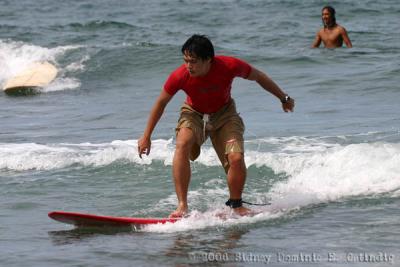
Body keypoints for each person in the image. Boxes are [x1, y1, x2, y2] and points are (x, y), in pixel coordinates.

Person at [138, 34, 295, 218]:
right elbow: (161, 103)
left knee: (235, 157)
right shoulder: (180, 76)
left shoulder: (229, 66)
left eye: (194, 61)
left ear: (208, 60)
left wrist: (283, 98)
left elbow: (258, 76)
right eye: (186, 60)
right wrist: (146, 136)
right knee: (182, 144)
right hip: (193, 113)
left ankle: (237, 205)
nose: (188, 66)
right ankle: (182, 206)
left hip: (225, 114)